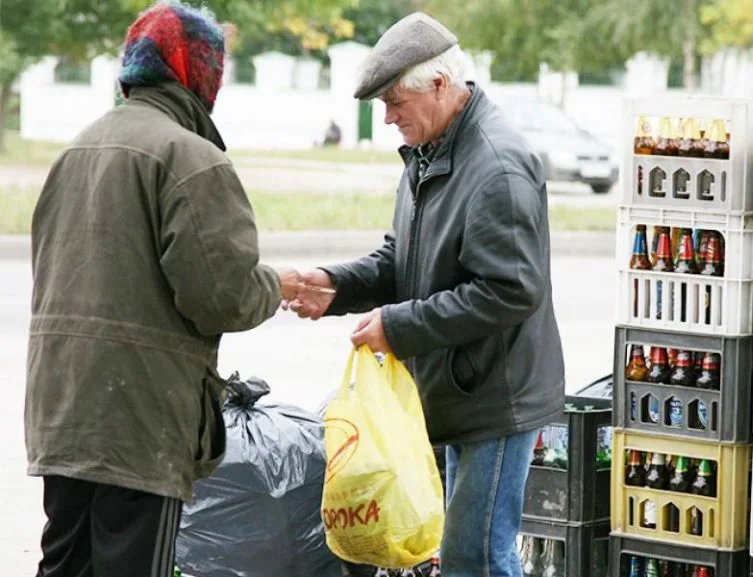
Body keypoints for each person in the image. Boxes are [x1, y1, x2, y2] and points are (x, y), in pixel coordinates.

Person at [25, 3, 305, 576]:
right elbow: (221, 298)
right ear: (201, 75)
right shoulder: (191, 159)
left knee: (66, 562)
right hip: (139, 423)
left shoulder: (77, 149)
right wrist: (275, 287)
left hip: (65, 408)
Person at [283, 12, 565, 577]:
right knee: (465, 555)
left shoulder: (497, 165)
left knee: (477, 557)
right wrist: (334, 285)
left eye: (393, 102)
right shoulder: (430, 151)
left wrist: (400, 326)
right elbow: (402, 260)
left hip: (496, 394)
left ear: (439, 84)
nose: (386, 118)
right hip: (458, 385)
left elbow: (510, 291)